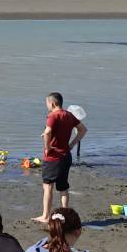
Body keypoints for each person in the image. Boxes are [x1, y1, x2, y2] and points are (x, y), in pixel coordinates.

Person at [34, 92, 85, 224]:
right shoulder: (69, 115)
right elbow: (83, 129)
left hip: (53, 157)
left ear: (52, 103)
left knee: (48, 186)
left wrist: (47, 147)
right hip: (66, 155)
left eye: (47, 103)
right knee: (63, 187)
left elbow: (48, 132)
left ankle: (45, 216)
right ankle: (65, 216)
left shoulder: (53, 115)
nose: (46, 106)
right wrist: (72, 145)